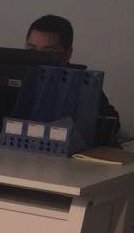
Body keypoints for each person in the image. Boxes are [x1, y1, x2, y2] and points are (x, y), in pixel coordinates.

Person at [25, 14, 121, 146]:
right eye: (31, 50)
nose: (38, 58)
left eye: (48, 52)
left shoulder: (81, 84)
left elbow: (110, 122)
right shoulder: (17, 76)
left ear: (67, 54)